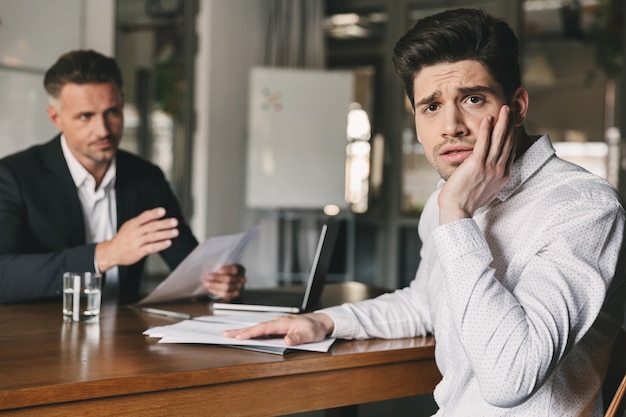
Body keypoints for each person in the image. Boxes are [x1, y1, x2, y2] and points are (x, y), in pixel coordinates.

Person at [224, 8, 626, 416]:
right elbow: (425, 303)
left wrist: (456, 213)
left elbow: (511, 378)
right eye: (431, 106)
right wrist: (326, 322)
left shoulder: (582, 208)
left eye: (473, 99)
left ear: (517, 106)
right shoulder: (449, 198)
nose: (451, 125)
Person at [0, 49, 245, 304]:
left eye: (113, 112)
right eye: (86, 116)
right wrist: (105, 255)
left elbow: (191, 268)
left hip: (125, 333)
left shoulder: (147, 178)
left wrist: (218, 282)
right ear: (55, 118)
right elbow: (3, 276)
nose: (103, 130)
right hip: (37, 336)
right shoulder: (13, 177)